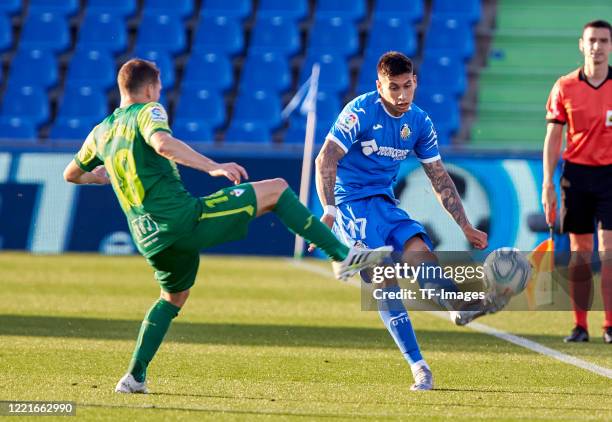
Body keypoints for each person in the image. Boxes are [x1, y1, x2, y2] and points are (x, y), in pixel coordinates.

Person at [63, 59, 392, 394]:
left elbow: (71, 174)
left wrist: (98, 176)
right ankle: (341, 255)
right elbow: (162, 144)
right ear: (150, 87)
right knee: (277, 189)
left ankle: (134, 377)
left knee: (173, 297)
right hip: (182, 221)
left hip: (148, 239)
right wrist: (212, 167)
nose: (159, 92)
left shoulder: (100, 131)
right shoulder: (149, 111)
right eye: (158, 87)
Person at [310, 51, 504, 391]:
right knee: (384, 280)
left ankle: (457, 305)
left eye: (408, 86)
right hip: (352, 205)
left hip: (386, 203)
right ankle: (419, 366)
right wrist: (329, 210)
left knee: (421, 255)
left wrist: (466, 226)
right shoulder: (360, 112)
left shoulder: (419, 122)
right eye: (393, 87)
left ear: (415, 82)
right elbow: (325, 158)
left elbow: (440, 178)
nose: (401, 95)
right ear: (379, 86)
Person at [542, 20, 612, 344]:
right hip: (577, 176)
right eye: (592, 40)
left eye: (603, 40)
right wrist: (547, 183)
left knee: (609, 250)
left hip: (610, 175)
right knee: (580, 252)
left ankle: (610, 325)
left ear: (610, 46)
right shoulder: (565, 86)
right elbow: (553, 137)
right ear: (581, 45)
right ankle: (580, 326)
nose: (597, 46)